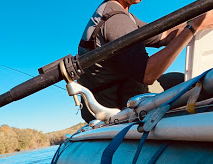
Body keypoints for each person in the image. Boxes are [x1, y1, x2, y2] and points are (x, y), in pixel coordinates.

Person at [78, 0, 213, 122]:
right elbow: (148, 74)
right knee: (197, 85)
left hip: (126, 86)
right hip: (117, 104)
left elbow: (164, 36)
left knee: (177, 79)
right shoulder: (116, 19)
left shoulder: (123, 13)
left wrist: (197, 21)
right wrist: (194, 27)